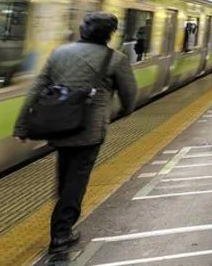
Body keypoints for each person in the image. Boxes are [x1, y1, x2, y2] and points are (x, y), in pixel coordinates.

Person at [13, 13, 137, 255]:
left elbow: (35, 89)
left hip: (58, 125)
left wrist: (21, 126)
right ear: (110, 34)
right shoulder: (115, 59)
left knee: (65, 172)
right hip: (89, 130)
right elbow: (129, 95)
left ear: (83, 30)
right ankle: (61, 233)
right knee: (76, 180)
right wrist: (122, 112)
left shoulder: (60, 53)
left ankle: (62, 210)